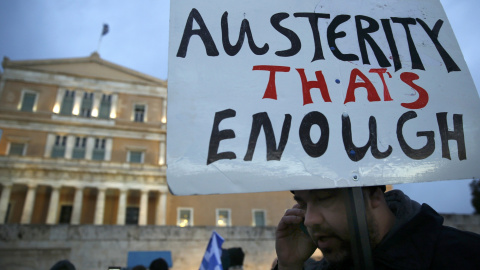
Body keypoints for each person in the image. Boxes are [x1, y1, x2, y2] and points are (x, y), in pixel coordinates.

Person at [274, 186, 480, 270]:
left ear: (374, 195)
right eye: (303, 204)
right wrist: (289, 266)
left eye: (325, 197)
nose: (309, 219)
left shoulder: (467, 256)